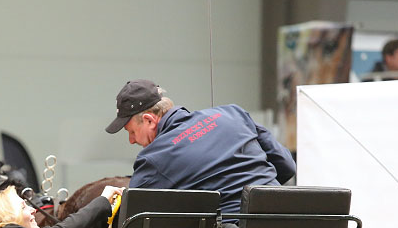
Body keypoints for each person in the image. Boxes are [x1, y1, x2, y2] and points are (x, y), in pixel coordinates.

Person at [105, 79, 295, 215]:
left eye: (131, 132)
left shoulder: (155, 157)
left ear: (149, 120)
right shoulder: (233, 113)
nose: (131, 140)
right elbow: (287, 166)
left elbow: (133, 219)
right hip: (287, 221)